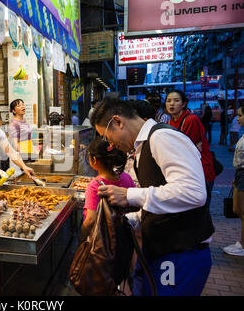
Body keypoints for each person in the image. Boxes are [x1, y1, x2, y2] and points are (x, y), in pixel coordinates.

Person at [91, 97, 215, 296]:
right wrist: (132, 219)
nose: (110, 145)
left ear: (118, 122)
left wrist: (129, 195)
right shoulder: (143, 145)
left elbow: (193, 192)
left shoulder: (162, 138)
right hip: (159, 249)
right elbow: (162, 197)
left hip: (180, 253)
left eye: (107, 137)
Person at [166, 89, 216, 210]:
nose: (171, 104)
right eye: (168, 101)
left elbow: (182, 149)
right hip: (186, 172)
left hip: (201, 171)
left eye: (176, 100)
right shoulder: (170, 122)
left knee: (200, 212)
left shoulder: (191, 119)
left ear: (184, 104)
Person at [79, 138, 135, 243]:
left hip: (102, 240)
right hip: (123, 235)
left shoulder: (95, 185)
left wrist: (81, 239)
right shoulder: (126, 177)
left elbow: (91, 219)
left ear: (94, 160)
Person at [223, 106, 244, 256]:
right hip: (239, 174)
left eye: (241, 115)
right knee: (237, 209)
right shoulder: (242, 134)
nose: (238, 118)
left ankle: (242, 245)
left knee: (241, 210)